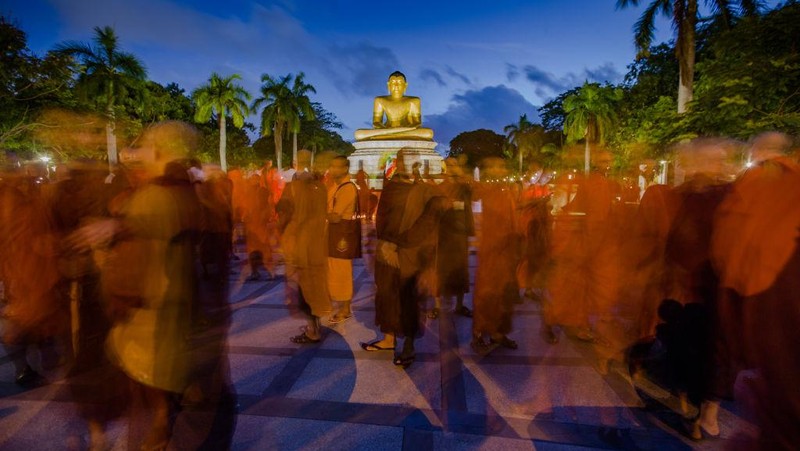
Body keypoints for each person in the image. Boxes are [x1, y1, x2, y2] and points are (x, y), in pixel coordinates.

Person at [361, 148, 445, 368]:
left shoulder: (427, 190)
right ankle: (388, 339)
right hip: (387, 250)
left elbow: (428, 222)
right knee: (386, 294)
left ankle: (409, 344)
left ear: (417, 164)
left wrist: (398, 243)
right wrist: (383, 243)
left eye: (409, 161)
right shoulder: (390, 187)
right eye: (401, 161)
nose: (404, 164)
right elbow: (382, 218)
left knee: (408, 297)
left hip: (411, 250)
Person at [277, 150, 330, 344]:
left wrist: (283, 237)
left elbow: (283, 215)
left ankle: (312, 330)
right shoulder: (320, 187)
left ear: (296, 162)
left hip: (299, 245)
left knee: (303, 288)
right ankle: (315, 325)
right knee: (314, 286)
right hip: (317, 246)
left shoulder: (292, 187)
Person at [471, 157, 522, 353]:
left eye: (501, 167)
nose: (498, 170)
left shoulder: (506, 191)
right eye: (493, 167)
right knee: (486, 293)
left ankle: (498, 333)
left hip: (506, 252)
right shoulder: (484, 190)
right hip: (491, 251)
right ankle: (478, 334)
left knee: (503, 295)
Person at [428, 157, 474, 320]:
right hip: (443, 235)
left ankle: (460, 305)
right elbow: (432, 211)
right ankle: (437, 306)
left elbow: (472, 198)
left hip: (459, 236)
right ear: (445, 167)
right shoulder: (439, 188)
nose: (452, 168)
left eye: (455, 165)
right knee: (439, 270)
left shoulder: (463, 187)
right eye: (449, 165)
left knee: (460, 270)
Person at [354, 71, 434, 141]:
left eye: (399, 82)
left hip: (405, 130)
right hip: (387, 129)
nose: (396, 85)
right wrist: (387, 130)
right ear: (388, 85)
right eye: (393, 82)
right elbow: (376, 122)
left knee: (428, 133)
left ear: (405, 85)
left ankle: (389, 135)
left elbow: (417, 123)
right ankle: (393, 134)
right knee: (358, 134)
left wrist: (401, 129)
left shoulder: (414, 101)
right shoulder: (380, 100)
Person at [326, 155, 359, 324]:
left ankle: (345, 309)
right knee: (333, 269)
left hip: (341, 235)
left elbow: (335, 217)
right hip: (333, 234)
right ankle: (336, 303)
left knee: (342, 271)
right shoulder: (335, 186)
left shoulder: (347, 188)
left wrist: (318, 212)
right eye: (331, 166)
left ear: (345, 168)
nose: (332, 170)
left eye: (337, 167)